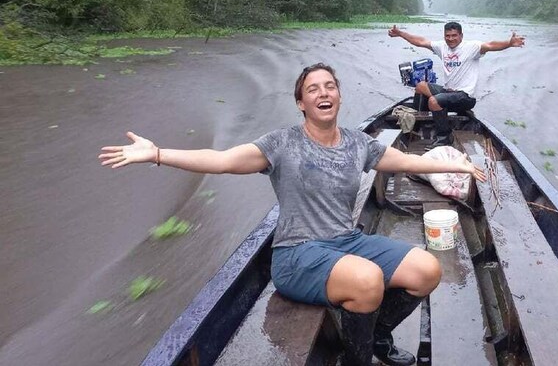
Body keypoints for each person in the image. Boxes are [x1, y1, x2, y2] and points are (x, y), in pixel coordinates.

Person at [99, 63, 486, 366]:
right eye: (312, 89)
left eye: (329, 86)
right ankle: (358, 360)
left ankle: (378, 334)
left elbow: (402, 159)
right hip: (297, 254)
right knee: (367, 280)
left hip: (346, 242)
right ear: (301, 102)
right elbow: (220, 160)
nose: (323, 93)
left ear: (339, 97)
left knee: (426, 270)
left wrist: (457, 166)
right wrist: (158, 154)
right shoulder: (282, 143)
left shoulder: (357, 142)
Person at [388, 21, 525, 147]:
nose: (451, 39)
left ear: (461, 35)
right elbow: (421, 41)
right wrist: (400, 33)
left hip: (465, 97)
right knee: (420, 86)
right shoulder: (442, 47)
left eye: (454, 35)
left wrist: (509, 42)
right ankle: (420, 122)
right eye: (447, 36)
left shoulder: (472, 47)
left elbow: (490, 45)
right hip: (448, 91)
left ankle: (444, 136)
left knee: (434, 101)